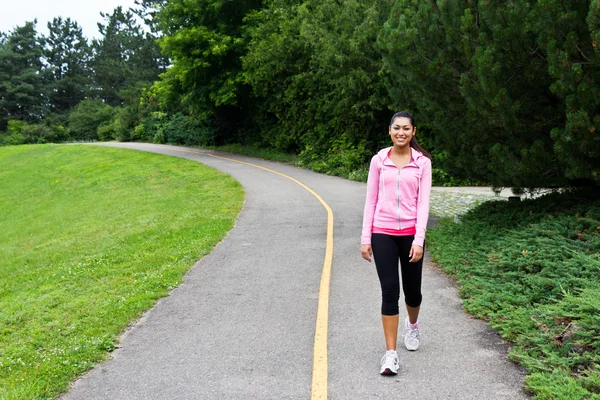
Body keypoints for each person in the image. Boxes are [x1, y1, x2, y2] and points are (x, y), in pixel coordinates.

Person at [360, 111, 432, 375]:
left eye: (406, 128)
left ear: (413, 132)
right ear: (389, 130)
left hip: (412, 234)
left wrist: (419, 240)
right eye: (396, 128)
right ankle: (390, 355)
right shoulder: (379, 160)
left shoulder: (422, 163)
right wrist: (365, 238)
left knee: (413, 293)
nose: (401, 132)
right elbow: (370, 200)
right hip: (383, 232)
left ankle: (413, 325)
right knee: (390, 291)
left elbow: (423, 203)